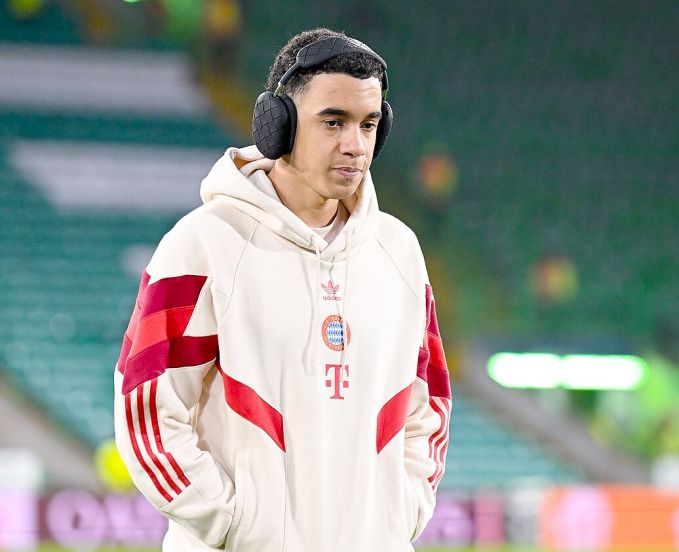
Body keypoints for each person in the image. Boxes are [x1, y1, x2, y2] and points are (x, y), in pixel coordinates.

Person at [113, 28, 452, 551]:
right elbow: (148, 407)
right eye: (333, 121)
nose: (355, 145)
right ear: (277, 125)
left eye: (368, 124)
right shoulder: (203, 243)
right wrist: (232, 525)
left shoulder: (399, 252)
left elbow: (427, 408)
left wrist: (396, 517)